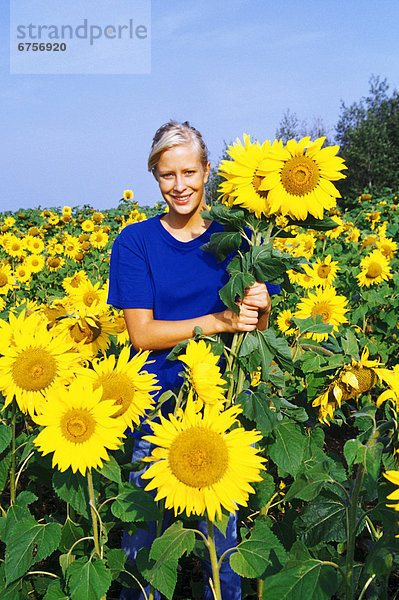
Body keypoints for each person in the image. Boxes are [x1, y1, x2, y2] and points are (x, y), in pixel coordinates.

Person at [108, 120, 278, 599]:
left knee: (223, 559)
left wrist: (258, 307)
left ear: (208, 171)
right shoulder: (135, 242)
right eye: (167, 175)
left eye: (189, 172)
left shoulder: (235, 238)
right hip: (153, 413)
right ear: (155, 178)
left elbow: (257, 326)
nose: (179, 185)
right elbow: (141, 334)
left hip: (220, 411)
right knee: (146, 557)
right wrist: (221, 320)